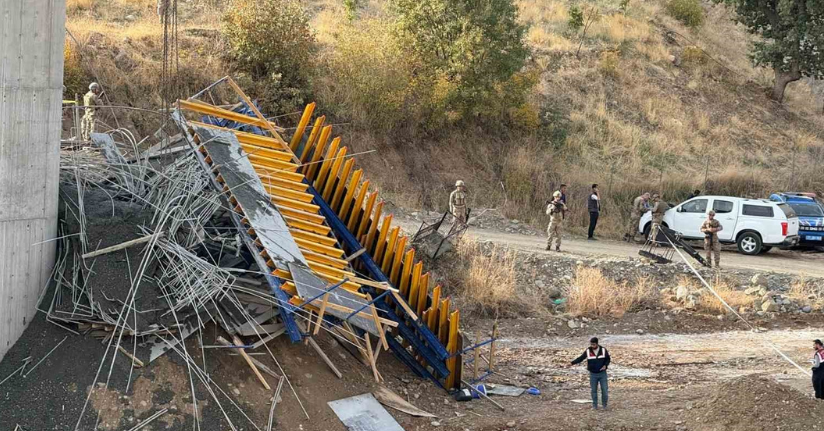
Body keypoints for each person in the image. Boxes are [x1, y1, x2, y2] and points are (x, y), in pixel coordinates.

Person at [570, 337, 611, 410]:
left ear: (597, 344)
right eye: (591, 344)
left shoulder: (603, 350)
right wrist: (572, 363)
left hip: (602, 374)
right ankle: (595, 406)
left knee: (604, 390)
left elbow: (608, 359)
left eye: (594, 345)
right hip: (593, 374)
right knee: (593, 390)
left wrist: (605, 365)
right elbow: (581, 358)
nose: (592, 346)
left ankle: (604, 405)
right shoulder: (588, 351)